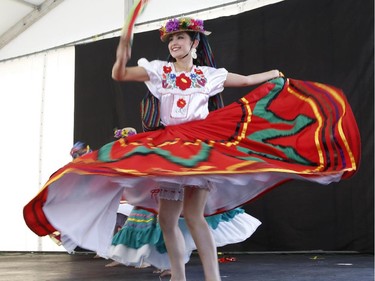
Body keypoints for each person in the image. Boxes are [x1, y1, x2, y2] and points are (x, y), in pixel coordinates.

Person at [23, 17, 360, 281]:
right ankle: (179, 275)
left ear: (194, 42)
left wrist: (272, 74)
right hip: (169, 144)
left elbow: (242, 81)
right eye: (171, 40)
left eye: (181, 38)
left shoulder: (208, 75)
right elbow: (121, 73)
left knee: (194, 216)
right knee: (168, 218)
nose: (175, 44)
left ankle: (213, 278)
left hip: (197, 145)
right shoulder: (158, 71)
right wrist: (123, 47)